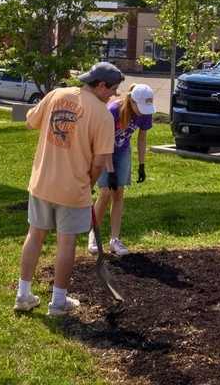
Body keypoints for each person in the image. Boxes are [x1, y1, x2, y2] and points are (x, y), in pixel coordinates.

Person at [13, 61, 123, 316]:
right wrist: (89, 185)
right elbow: (98, 162)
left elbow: (30, 122)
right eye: (113, 89)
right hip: (73, 191)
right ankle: (58, 302)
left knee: (35, 235)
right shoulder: (103, 116)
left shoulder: (56, 94)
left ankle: (22, 295)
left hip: (42, 183)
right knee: (67, 243)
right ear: (101, 85)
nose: (115, 94)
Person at [90, 82, 156, 257]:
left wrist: (142, 165)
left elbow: (142, 139)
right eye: (141, 106)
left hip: (123, 150)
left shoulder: (145, 112)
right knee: (105, 192)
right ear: (132, 101)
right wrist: (110, 171)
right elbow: (105, 144)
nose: (143, 111)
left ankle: (115, 239)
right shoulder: (113, 111)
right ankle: (94, 235)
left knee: (119, 192)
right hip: (103, 150)